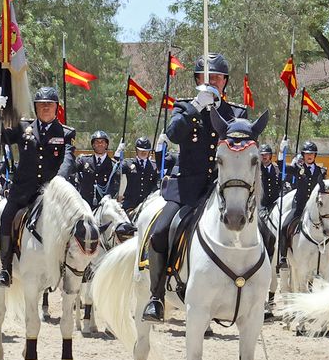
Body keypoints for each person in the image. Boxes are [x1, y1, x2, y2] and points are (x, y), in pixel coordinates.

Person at [143, 54, 247, 320]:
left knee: (261, 231)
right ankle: (156, 297)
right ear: (197, 80)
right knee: (160, 232)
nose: (212, 82)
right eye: (206, 77)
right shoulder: (184, 107)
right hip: (187, 188)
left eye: (217, 77)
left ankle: (257, 294)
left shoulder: (237, 113)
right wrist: (196, 107)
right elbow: (173, 134)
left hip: (222, 190)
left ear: (225, 81)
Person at [0, 86, 75, 286]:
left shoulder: (66, 133)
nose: (45, 108)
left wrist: (59, 181)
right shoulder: (23, 127)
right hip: (23, 191)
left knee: (75, 222)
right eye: (41, 104)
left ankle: (73, 268)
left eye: (49, 104)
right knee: (6, 218)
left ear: (56, 107)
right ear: (36, 107)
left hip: (51, 192)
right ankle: (6, 268)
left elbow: (68, 160)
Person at [277, 141, 327, 269]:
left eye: (312, 154)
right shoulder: (297, 169)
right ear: (303, 155)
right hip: (299, 207)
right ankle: (283, 256)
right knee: (284, 226)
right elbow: (282, 167)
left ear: (315, 155)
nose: (309, 156)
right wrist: (282, 152)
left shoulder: (321, 171)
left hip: (315, 208)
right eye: (307, 154)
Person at [70, 130, 119, 207]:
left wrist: (109, 195)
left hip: (103, 205)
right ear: (93, 145)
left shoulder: (113, 165)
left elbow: (115, 185)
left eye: (102, 142)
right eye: (97, 142)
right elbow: (71, 170)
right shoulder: (84, 160)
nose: (100, 144)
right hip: (85, 203)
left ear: (106, 145)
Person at [118, 137, 160, 214]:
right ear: (136, 150)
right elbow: (118, 169)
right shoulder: (128, 163)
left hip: (146, 205)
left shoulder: (154, 166)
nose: (143, 152)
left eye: (146, 150)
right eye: (141, 150)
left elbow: (156, 185)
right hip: (129, 204)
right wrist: (118, 155)